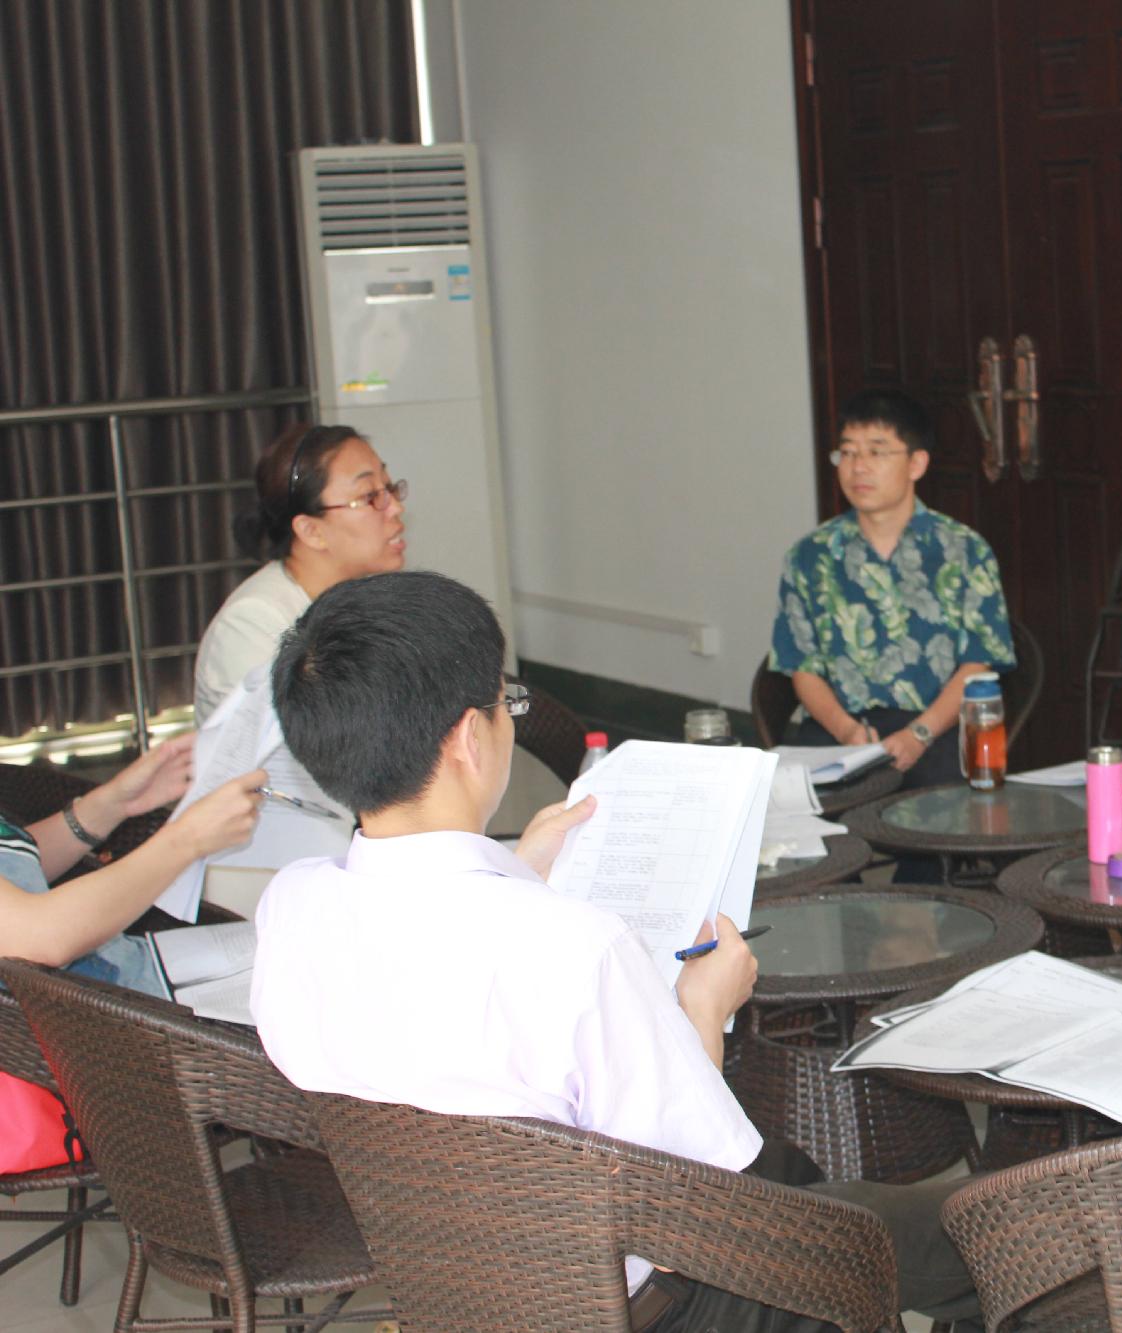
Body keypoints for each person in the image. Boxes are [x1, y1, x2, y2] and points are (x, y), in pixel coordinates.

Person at [251, 571, 978, 1332]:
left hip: (454, 1287)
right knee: (970, 1230)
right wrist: (704, 1009)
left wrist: (517, 871)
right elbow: (684, 1193)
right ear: (469, 736)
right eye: (505, 703)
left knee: (795, 1173)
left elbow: (429, 997)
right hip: (640, 1303)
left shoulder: (293, 904)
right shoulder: (577, 946)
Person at [1, 738, 264, 1170]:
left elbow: (12, 878)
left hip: (112, 987)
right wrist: (185, 840)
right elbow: (36, 939)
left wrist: (108, 806)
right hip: (96, 1039)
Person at [768, 389, 1015, 788]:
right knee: (791, 805)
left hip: (935, 728)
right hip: (839, 730)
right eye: (847, 453)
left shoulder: (963, 550)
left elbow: (978, 663)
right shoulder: (809, 556)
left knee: (939, 810)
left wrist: (919, 734)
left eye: (876, 452)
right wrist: (847, 731)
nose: (858, 467)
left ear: (916, 463)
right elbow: (802, 667)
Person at [192, 423, 408, 722]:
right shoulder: (253, 625)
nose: (395, 507)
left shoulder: (376, 600)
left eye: (390, 488)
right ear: (311, 531)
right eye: (370, 495)